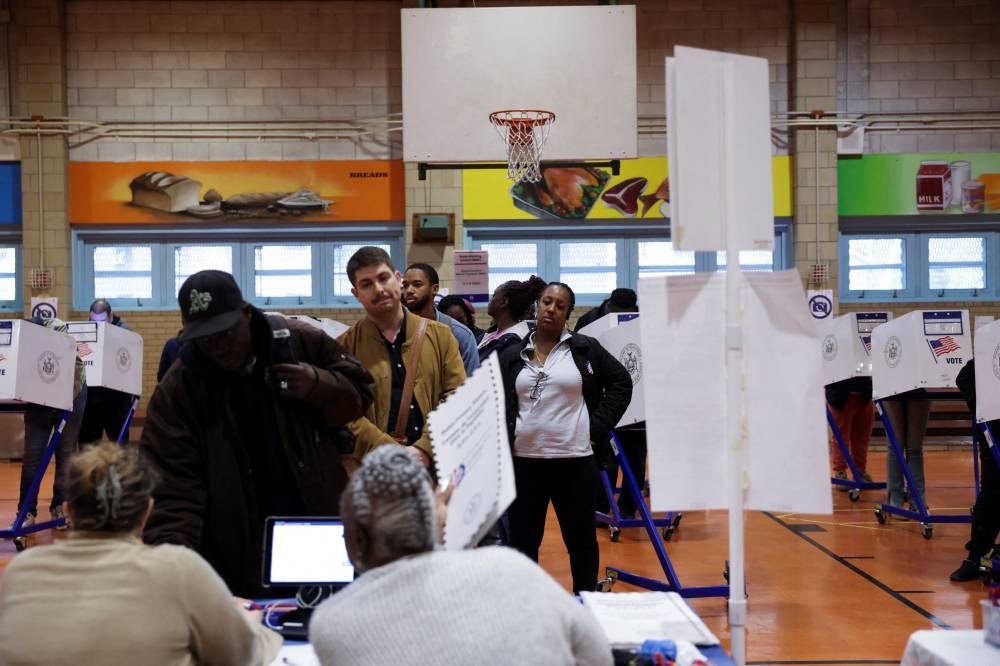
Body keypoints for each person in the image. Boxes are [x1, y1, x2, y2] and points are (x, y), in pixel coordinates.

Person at [140, 270, 375, 597]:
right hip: (232, 553)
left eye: (224, 332)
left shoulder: (298, 343)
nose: (217, 346)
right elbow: (172, 493)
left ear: (247, 314)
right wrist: (179, 578)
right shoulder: (179, 392)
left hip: (315, 534)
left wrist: (317, 385)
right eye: (205, 337)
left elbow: (361, 395)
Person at [308, 445, 613, 666]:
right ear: (438, 520)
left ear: (356, 539)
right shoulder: (510, 567)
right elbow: (598, 655)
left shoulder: (331, 624)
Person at [0, 442, 281, 665]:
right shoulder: (179, 569)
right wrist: (252, 626)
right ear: (146, 512)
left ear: (71, 512)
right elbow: (243, 656)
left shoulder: (20, 572)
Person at [498, 282, 632, 593]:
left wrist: (595, 426)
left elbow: (621, 383)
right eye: (547, 302)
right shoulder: (512, 353)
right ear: (536, 305)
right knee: (524, 542)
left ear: (568, 313)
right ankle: (526, 604)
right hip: (525, 463)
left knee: (581, 540)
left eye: (560, 305)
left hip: (574, 462)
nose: (551, 309)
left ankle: (585, 600)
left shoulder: (584, 349)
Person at [338, 247, 466, 471]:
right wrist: (391, 452)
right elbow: (346, 413)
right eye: (366, 284)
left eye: (383, 278)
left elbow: (457, 396)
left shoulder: (441, 336)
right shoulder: (344, 347)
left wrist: (424, 449)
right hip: (373, 474)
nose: (378, 289)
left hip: (432, 470)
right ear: (356, 293)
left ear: (397, 279)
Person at [15, 317, 88, 529]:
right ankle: (26, 511)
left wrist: (64, 406)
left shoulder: (59, 335)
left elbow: (74, 378)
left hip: (72, 395)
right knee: (33, 455)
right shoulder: (23, 339)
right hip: (39, 397)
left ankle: (60, 506)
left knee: (65, 454)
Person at [950, 360, 1000, 581]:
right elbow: (964, 378)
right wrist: (983, 411)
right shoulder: (990, 346)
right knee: (991, 495)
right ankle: (975, 556)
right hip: (994, 435)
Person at [402, 262, 480, 376]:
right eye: (405, 285)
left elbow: (473, 384)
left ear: (434, 289)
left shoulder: (459, 333)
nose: (408, 290)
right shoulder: (396, 330)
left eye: (417, 285)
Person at [78, 299, 135, 444]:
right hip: (92, 397)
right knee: (87, 443)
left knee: (120, 444)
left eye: (103, 321)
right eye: (94, 321)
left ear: (111, 316)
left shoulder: (125, 332)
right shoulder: (85, 331)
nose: (98, 326)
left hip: (116, 396)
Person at [477, 275, 546, 361]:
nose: (490, 300)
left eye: (494, 295)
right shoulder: (491, 332)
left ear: (503, 302)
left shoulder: (514, 341)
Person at [883, 390, 930, 512]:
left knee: (914, 448)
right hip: (891, 383)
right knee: (896, 446)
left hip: (919, 385)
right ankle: (895, 501)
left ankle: (917, 502)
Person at [826, 376, 874, 488]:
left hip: (864, 392)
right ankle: (840, 472)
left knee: (862, 436)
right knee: (840, 436)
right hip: (840, 393)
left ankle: (860, 471)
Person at [573, 287, 638, 333]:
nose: (623, 318)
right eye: (617, 314)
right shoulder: (587, 321)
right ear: (609, 306)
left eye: (628, 314)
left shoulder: (641, 318)